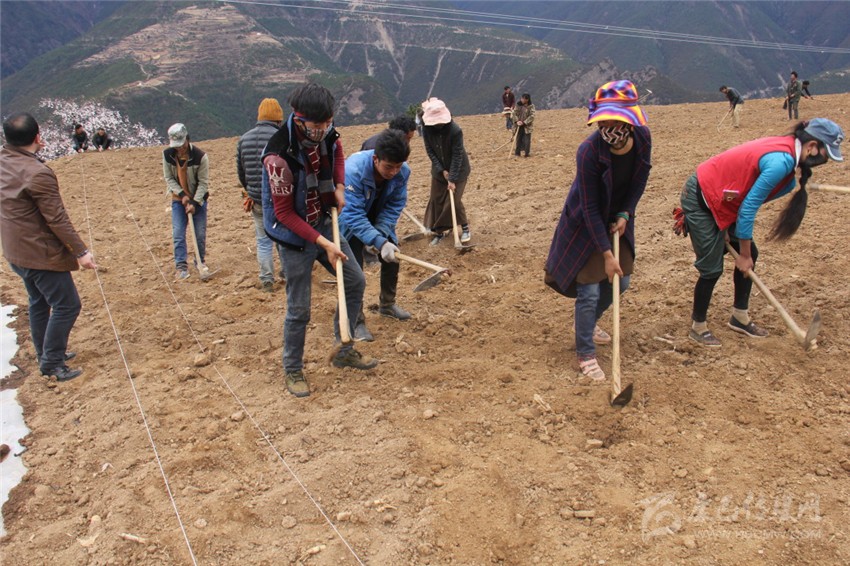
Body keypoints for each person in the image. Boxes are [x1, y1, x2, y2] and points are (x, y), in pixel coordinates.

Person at [677, 118, 843, 347]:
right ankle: (698, 327)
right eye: (826, 154)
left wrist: (740, 244)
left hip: (726, 199)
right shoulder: (781, 162)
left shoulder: (789, 158)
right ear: (812, 146)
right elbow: (748, 209)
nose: (824, 161)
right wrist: (742, 254)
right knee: (711, 268)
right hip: (702, 197)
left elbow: (744, 198)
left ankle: (739, 317)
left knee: (751, 254)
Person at [261, 82, 377, 398]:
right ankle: (293, 368)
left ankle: (343, 349)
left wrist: (338, 186)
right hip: (293, 236)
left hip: (323, 221)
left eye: (327, 122)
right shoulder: (278, 158)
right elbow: (284, 214)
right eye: (317, 125)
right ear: (298, 118)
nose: (323, 130)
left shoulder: (326, 133)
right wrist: (323, 244)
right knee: (299, 308)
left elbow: (337, 150)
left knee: (354, 281)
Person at [544, 80, 652, 382]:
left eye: (612, 121)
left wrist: (625, 212)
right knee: (589, 289)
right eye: (602, 122)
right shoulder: (589, 152)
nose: (606, 128)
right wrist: (605, 253)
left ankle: (588, 323)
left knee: (622, 281)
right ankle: (586, 353)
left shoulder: (642, 137)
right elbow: (590, 207)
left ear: (628, 121)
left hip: (618, 216)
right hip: (585, 222)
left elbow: (640, 178)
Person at [1, 112, 98, 382]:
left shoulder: (4, 160)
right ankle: (52, 363)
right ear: (37, 137)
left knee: (39, 301)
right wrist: (81, 252)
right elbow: (57, 219)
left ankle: (44, 352)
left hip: (15, 250)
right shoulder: (38, 173)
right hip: (39, 253)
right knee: (67, 305)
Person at [340, 129, 412, 342]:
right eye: (388, 167)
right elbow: (352, 214)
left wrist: (381, 235)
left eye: (398, 166)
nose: (393, 172)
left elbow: (395, 204)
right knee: (353, 272)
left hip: (378, 215)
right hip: (349, 220)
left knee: (393, 257)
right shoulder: (352, 171)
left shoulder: (403, 171)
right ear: (375, 159)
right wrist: (376, 240)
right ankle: (356, 321)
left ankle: (387, 305)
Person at [237, 98, 285, 292]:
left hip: (256, 199)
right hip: (279, 198)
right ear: (278, 118)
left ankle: (266, 279)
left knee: (263, 241)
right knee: (283, 237)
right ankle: (287, 273)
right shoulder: (281, 137)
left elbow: (241, 171)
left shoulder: (244, 139)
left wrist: (250, 189)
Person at [421, 97, 472, 245]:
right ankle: (440, 232)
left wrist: (452, 178)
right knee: (436, 199)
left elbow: (458, 155)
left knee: (453, 201)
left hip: (459, 170)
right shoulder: (426, 129)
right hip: (438, 171)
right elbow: (430, 151)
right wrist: (441, 170)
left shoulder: (455, 130)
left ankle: (465, 228)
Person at [163, 123, 210, 280]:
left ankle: (200, 262)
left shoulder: (200, 156)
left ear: (187, 139)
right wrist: (182, 194)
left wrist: (194, 202)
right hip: (178, 200)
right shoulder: (167, 155)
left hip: (198, 200)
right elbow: (169, 178)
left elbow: (203, 183)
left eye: (182, 145)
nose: (180, 149)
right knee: (178, 233)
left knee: (199, 233)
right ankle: (181, 266)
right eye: (176, 146)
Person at [511, 93, 535, 157]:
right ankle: (517, 153)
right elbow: (514, 113)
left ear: (527, 100)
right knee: (518, 139)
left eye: (524, 99)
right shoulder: (518, 105)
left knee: (527, 140)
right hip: (518, 125)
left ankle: (527, 153)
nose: (522, 100)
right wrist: (517, 121)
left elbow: (532, 116)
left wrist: (524, 122)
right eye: (522, 98)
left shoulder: (531, 106)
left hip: (527, 126)